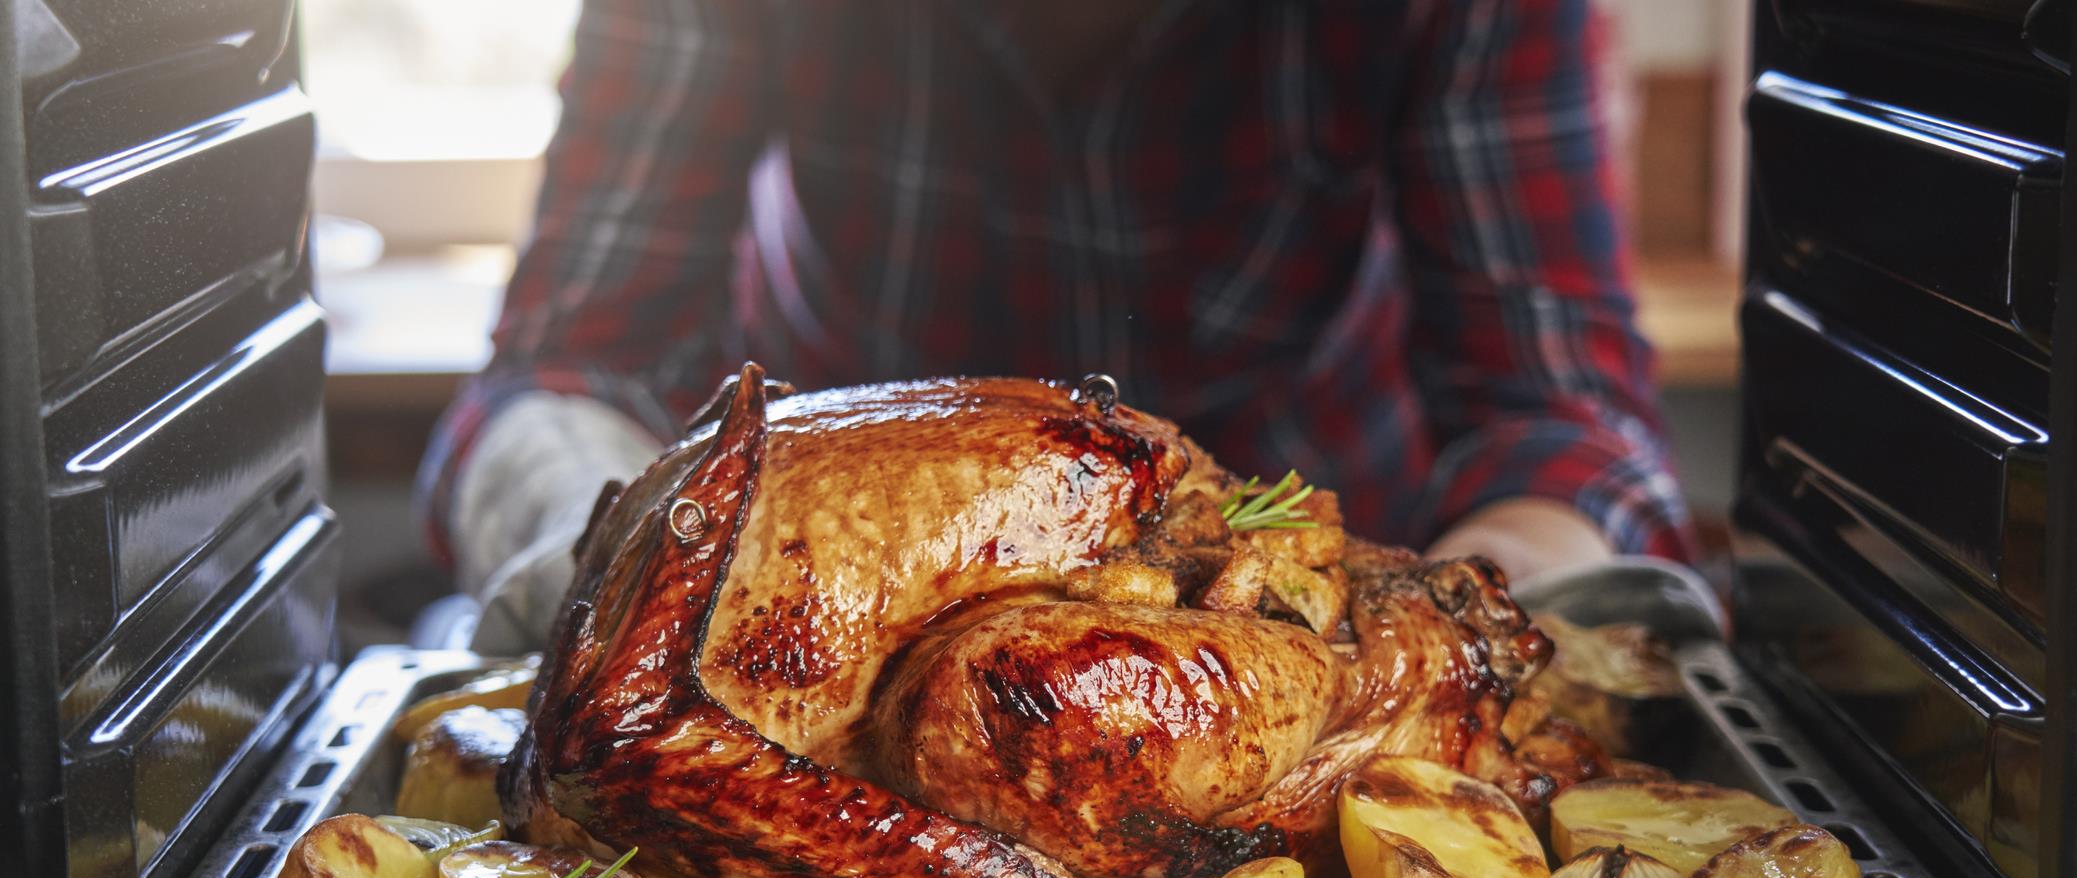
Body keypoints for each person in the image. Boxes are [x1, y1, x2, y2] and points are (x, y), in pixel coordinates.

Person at [420, 0, 1693, 652]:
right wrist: (608, 570)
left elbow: (1554, 420)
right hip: (806, 609)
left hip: (1314, 614)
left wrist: (1439, 635)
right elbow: (565, 365)